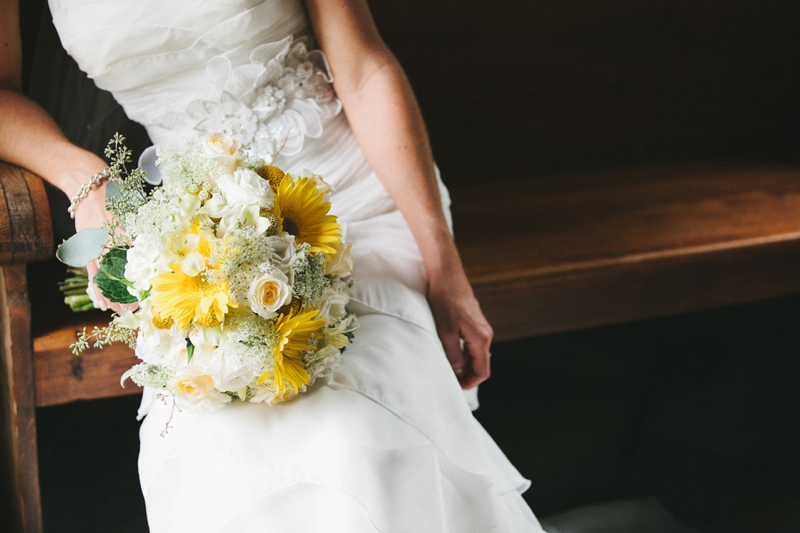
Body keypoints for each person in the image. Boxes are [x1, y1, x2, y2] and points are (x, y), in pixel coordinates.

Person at [1, 0, 545, 530]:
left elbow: (364, 69)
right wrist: (85, 177)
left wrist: (446, 269)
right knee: (217, 449)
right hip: (203, 243)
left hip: (352, 204)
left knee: (354, 433)